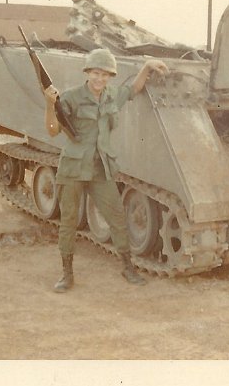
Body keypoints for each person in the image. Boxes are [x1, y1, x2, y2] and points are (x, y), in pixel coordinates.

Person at [43, 48, 169, 291]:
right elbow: (51, 130)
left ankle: (127, 267)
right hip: (73, 169)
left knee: (117, 218)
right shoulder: (70, 98)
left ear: (110, 77)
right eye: (96, 73)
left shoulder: (112, 95)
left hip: (101, 169)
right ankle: (67, 274)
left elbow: (133, 90)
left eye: (105, 75)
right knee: (68, 221)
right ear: (88, 73)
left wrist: (146, 67)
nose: (100, 79)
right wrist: (50, 103)